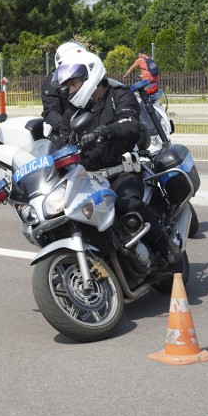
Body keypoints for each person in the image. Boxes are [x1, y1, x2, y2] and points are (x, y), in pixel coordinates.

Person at [51, 52, 181, 270]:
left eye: (73, 84)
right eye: (68, 86)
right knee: (69, 213)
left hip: (122, 171)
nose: (71, 91)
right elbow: (60, 135)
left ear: (90, 75)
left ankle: (165, 247)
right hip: (90, 179)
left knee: (128, 205)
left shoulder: (118, 95)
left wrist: (104, 132)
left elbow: (130, 122)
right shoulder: (74, 111)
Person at [42, 41, 87, 145]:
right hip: (62, 132)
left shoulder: (87, 77)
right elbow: (51, 110)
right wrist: (65, 129)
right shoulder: (52, 81)